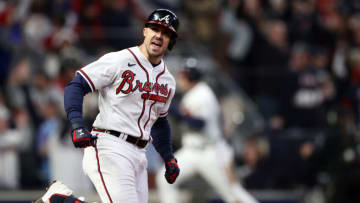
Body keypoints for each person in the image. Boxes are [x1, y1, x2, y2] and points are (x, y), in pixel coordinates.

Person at [35, 8, 180, 203]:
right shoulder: (120, 60)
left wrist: (168, 156)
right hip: (110, 145)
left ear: (172, 40)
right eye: (155, 28)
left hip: (139, 154)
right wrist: (77, 125)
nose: (159, 35)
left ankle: (62, 200)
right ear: (145, 30)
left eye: (166, 33)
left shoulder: (168, 80)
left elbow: (160, 122)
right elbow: (76, 85)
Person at [156, 59, 258, 203]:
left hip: (211, 153)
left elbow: (199, 124)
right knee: (165, 178)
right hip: (192, 151)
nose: (180, 78)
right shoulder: (193, 93)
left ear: (190, 76)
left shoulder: (203, 95)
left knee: (233, 194)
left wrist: (173, 110)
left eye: (183, 75)